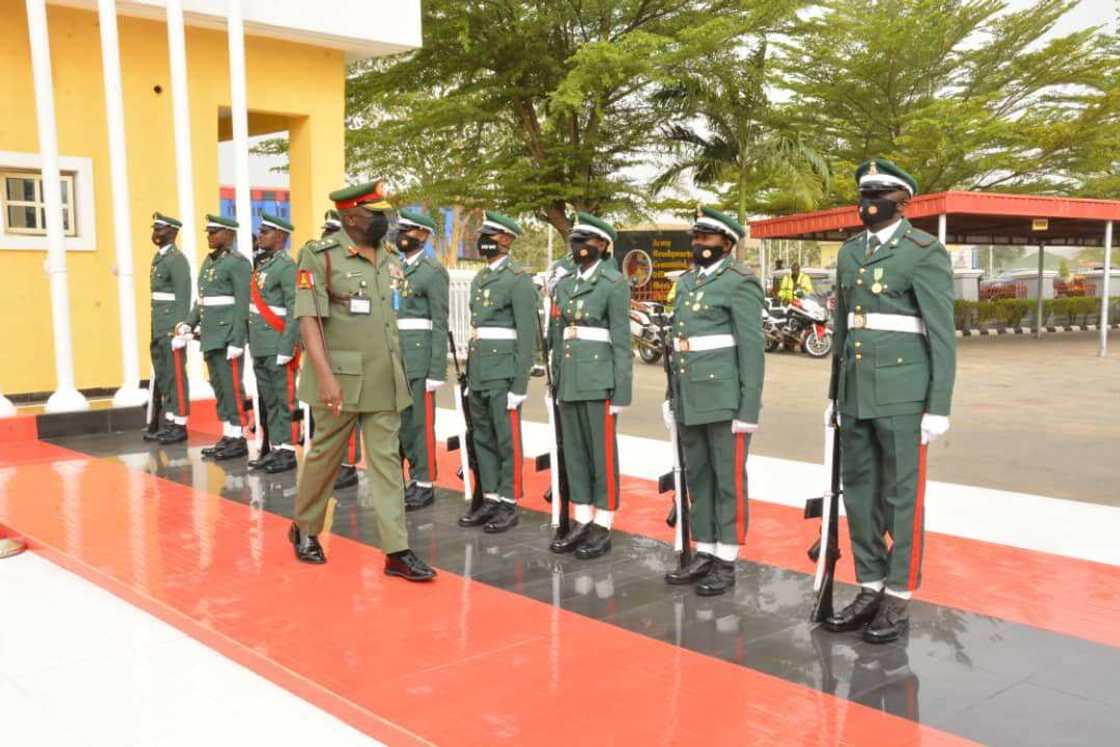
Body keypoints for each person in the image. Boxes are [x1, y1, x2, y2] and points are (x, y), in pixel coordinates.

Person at [822, 158, 955, 643]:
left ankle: (898, 595)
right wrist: (834, 394)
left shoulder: (922, 251)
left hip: (903, 394)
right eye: (864, 192)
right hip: (856, 392)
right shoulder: (849, 252)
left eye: (877, 193)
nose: (867, 202)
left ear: (901, 201)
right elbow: (843, 330)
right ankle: (870, 584)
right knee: (859, 493)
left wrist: (937, 405)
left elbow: (941, 335)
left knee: (901, 498)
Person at [288, 181, 435, 582]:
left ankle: (397, 551)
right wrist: (325, 377)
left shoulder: (387, 256)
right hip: (342, 379)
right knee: (326, 457)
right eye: (376, 215)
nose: (385, 223)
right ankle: (305, 527)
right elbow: (310, 321)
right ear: (351, 218)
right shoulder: (320, 256)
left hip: (385, 379)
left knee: (387, 463)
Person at [662, 207, 765, 596]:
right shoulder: (688, 282)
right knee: (699, 476)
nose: (698, 244)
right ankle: (704, 549)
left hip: (725, 398)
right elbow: (679, 346)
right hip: (690, 395)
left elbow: (752, 350)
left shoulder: (740, 282)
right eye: (696, 237)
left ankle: (727, 558)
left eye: (706, 238)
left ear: (726, 242)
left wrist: (748, 407)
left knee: (728, 480)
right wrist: (672, 395)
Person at [546, 212, 632, 559]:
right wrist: (555, 378)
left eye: (587, 240)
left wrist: (622, 391)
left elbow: (622, 341)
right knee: (577, 452)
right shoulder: (565, 284)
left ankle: (604, 522)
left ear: (602, 246)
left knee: (601, 453)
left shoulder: (613, 283)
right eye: (576, 239)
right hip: (569, 377)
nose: (579, 246)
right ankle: (582, 517)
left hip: (599, 380)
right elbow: (558, 334)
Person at [456, 211, 538, 534]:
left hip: (504, 372)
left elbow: (526, 335)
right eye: (483, 235)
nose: (483, 241)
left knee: (506, 440)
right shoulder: (479, 279)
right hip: (479, 370)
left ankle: (508, 501)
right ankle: (489, 497)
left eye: (490, 236)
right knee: (483, 437)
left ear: (506, 240)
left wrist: (519, 383)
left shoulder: (517, 280)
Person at [174, 214, 251, 460]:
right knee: (219, 386)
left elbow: (242, 304)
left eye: (214, 232)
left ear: (229, 234)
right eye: (208, 232)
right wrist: (189, 322)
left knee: (232, 387)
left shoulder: (238, 262)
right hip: (210, 334)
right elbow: (203, 300)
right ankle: (228, 433)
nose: (210, 236)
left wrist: (238, 340)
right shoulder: (209, 262)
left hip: (228, 334)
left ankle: (238, 436)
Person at [393, 209, 449, 511]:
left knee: (420, 423)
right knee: (399, 423)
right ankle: (405, 477)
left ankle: (424, 482)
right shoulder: (396, 267)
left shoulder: (432, 270)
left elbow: (440, 321)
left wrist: (436, 369)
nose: (402, 236)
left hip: (420, 357)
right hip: (397, 357)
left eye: (409, 231)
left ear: (424, 235)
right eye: (401, 230)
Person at [246, 213, 300, 474]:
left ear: (280, 236)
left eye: (265, 232)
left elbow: (294, 310)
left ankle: (288, 451)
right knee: (269, 400)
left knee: (284, 399)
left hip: (278, 344)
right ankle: (277, 447)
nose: (260, 236)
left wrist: (287, 347)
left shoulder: (286, 267)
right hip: (261, 345)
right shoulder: (264, 265)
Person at [145, 212, 191, 445]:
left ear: (172, 232)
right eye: (155, 228)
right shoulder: (159, 258)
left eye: (161, 229)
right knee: (164, 375)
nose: (156, 233)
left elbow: (183, 296)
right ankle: (170, 419)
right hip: (159, 325)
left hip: (171, 326)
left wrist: (180, 330)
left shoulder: (176, 259)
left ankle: (180, 423)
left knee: (176, 376)